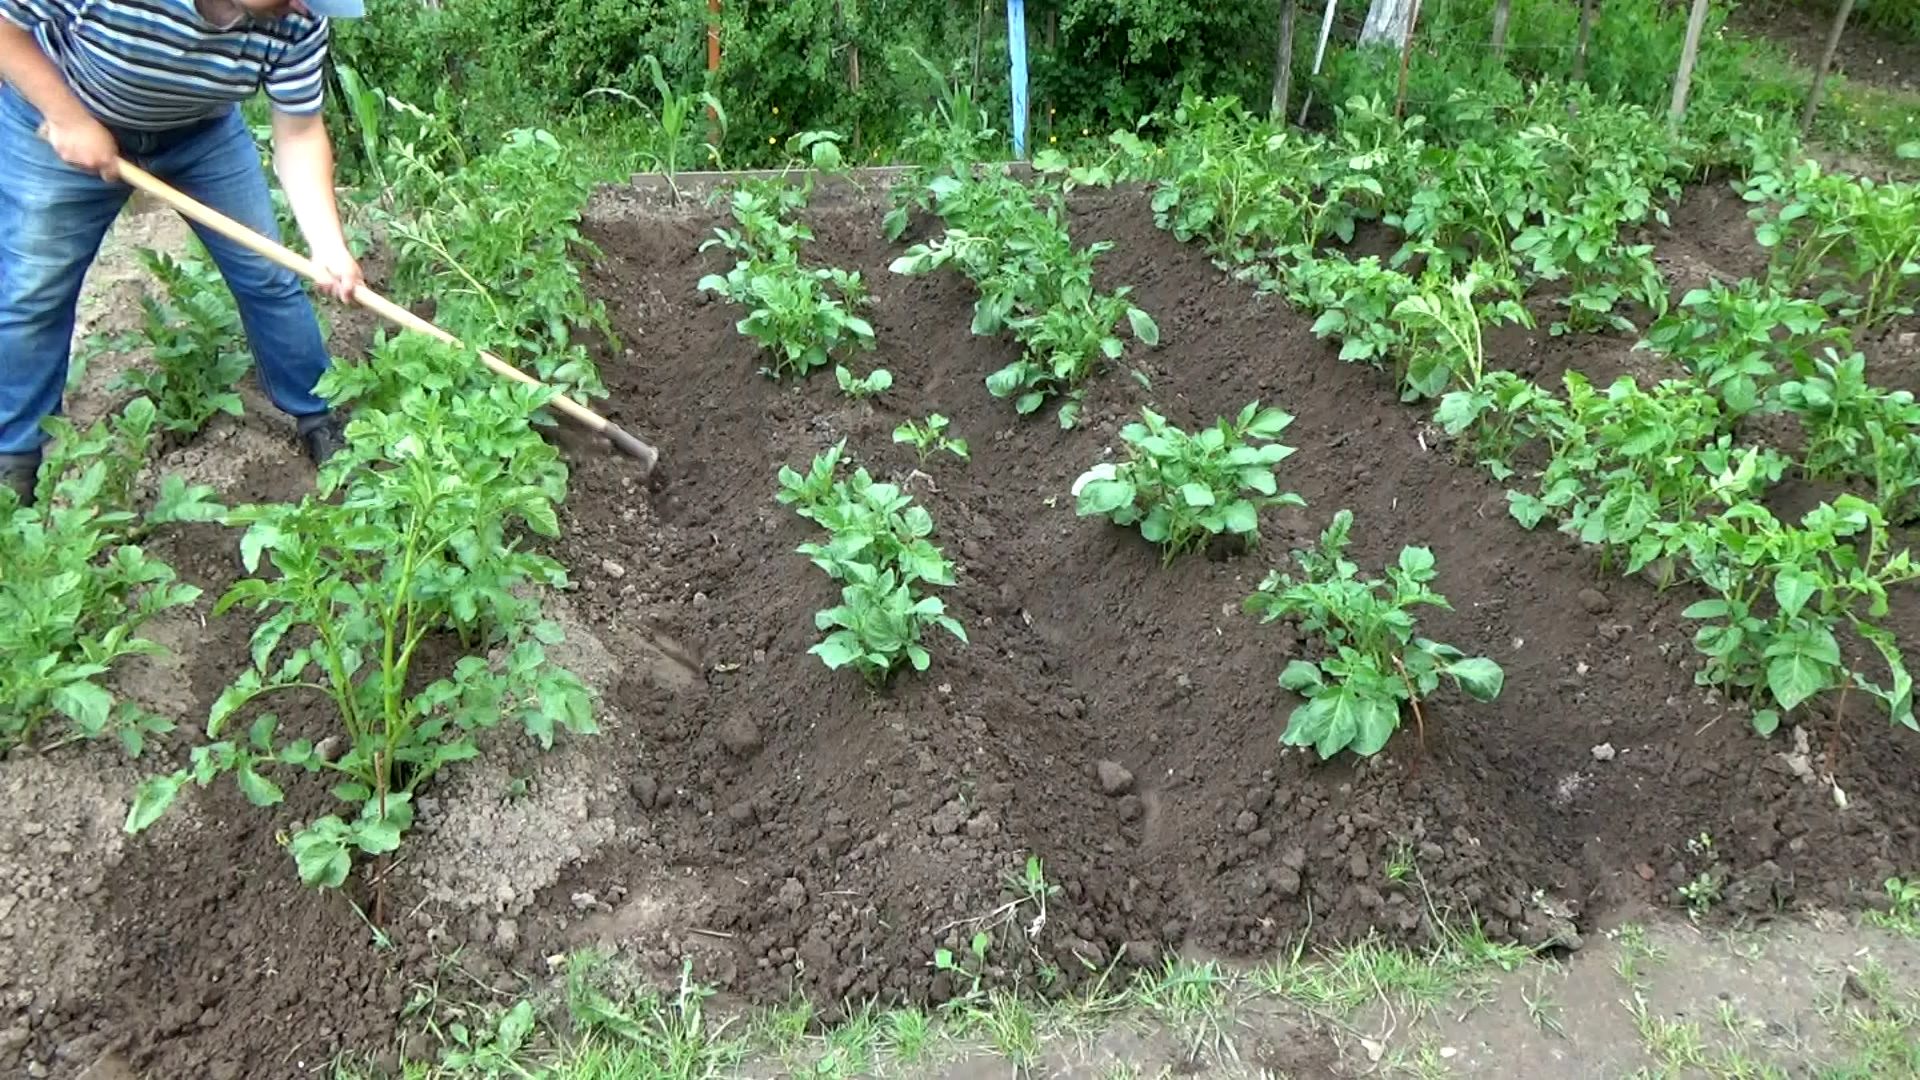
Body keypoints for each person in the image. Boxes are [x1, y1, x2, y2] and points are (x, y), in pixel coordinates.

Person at [0, 0, 365, 506]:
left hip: (201, 134)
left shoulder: (299, 18)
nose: (302, 4)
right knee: (33, 293)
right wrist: (67, 117)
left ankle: (320, 414)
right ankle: (13, 463)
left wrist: (328, 246)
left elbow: (299, 131)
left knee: (269, 275)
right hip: (61, 112)